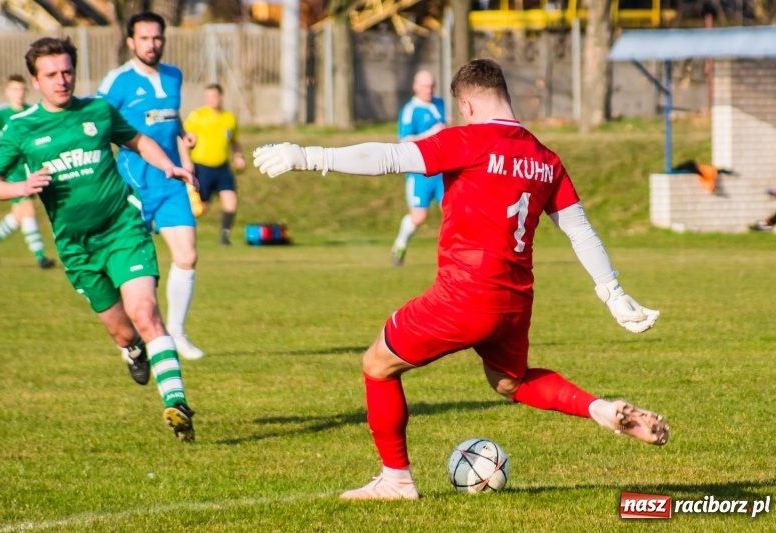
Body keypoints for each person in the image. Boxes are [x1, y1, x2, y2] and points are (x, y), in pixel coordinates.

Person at [253, 59, 669, 500]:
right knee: (510, 382)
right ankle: (599, 408)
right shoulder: (546, 158)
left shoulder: (469, 140)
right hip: (514, 300)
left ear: (466, 105)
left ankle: (396, 480)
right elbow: (579, 229)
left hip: (464, 294)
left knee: (377, 364)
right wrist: (613, 292)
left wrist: (309, 156)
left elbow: (390, 157)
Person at [0, 36, 197, 442]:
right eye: (51, 74)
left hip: (122, 230)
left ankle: (177, 404)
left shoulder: (98, 110)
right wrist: (21, 187)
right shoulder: (21, 128)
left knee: (146, 312)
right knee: (123, 332)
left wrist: (168, 166)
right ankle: (133, 350)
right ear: (35, 81)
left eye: (67, 72)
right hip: (77, 248)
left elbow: (138, 140)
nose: (62, 80)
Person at [97, 11, 204, 360]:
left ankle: (177, 334)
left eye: (157, 37)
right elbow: (96, 123)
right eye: (144, 38)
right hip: (133, 184)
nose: (151, 44)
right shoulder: (117, 81)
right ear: (131, 41)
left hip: (171, 182)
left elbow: (171, 116)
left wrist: (183, 136)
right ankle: (133, 339)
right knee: (131, 268)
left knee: (187, 256)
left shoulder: (174, 75)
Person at [0, 74, 55, 269]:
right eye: (15, 89)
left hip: (28, 168)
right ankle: (41, 257)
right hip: (11, 170)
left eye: (23, 89)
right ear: (7, 92)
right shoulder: (0, 113)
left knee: (19, 214)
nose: (19, 93)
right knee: (28, 209)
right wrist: (9, 144)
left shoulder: (31, 112)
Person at [391, 70, 445, 266]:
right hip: (420, 173)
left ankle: (453, 256)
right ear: (416, 86)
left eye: (431, 86)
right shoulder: (410, 110)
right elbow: (404, 141)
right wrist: (431, 134)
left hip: (442, 172)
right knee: (419, 217)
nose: (428, 90)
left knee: (452, 213)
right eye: (424, 86)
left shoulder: (440, 104)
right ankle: (400, 244)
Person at [183, 83, 246, 245]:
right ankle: (182, 232)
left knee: (230, 200)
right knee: (201, 207)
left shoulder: (229, 118)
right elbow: (183, 139)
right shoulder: (197, 116)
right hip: (202, 167)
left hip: (222, 167)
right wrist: (186, 161)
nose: (211, 99)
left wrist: (238, 156)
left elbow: (234, 141)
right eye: (208, 96)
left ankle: (224, 238)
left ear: (221, 97)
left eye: (214, 96)